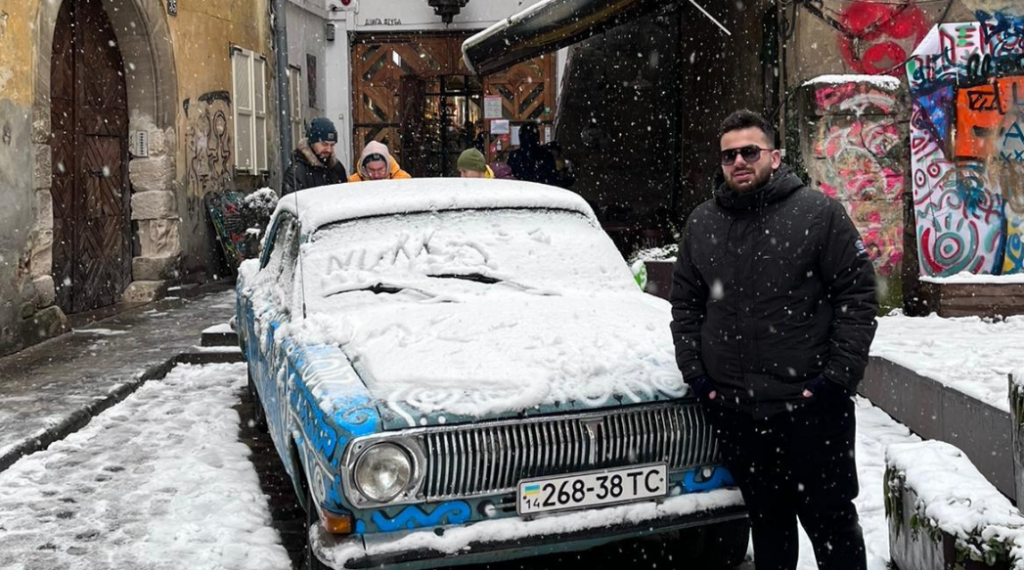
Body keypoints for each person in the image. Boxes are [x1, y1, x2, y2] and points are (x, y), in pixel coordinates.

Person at [669, 109, 877, 570]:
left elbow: (858, 296)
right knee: (768, 526)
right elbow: (685, 306)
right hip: (739, 411)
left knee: (832, 525)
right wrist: (700, 379)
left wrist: (836, 379)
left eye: (750, 151)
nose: (739, 161)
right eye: (729, 155)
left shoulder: (818, 214)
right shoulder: (703, 223)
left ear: (775, 157)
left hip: (812, 408)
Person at [281, 117, 347, 196]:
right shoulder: (297, 173)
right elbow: (291, 205)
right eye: (324, 144)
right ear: (312, 143)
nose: (329, 150)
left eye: (332, 145)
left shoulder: (337, 169)